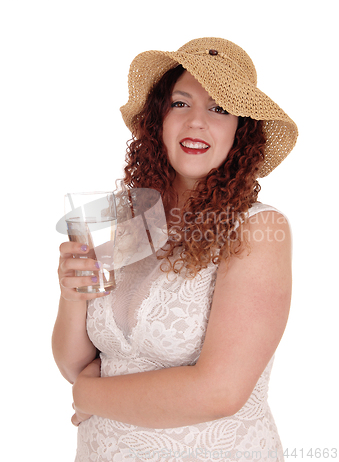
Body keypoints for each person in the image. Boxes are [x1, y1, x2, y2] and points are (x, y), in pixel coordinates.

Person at [52, 37, 298, 462]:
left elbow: (218, 392)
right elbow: (78, 363)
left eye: (220, 108)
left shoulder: (257, 229)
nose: (197, 122)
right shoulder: (128, 220)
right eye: (180, 103)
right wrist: (72, 297)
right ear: (158, 118)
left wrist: (87, 394)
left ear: (241, 131)